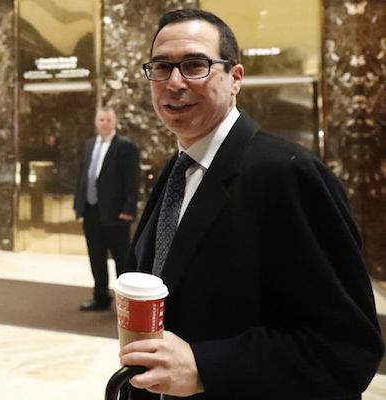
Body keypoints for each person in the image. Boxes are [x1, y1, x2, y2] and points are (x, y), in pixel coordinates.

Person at [119, 9, 383, 399]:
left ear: (235, 78)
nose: (174, 82)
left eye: (195, 65)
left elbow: (344, 348)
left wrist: (205, 368)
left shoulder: (288, 174)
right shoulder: (177, 170)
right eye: (161, 67)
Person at [74, 107, 139, 311]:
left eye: (108, 119)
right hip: (91, 211)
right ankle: (101, 296)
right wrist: (79, 204)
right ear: (96, 122)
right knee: (96, 256)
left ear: (114, 122)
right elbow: (84, 176)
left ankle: (126, 302)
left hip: (117, 213)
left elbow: (132, 181)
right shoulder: (89, 145)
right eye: (101, 119)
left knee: (122, 259)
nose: (104, 123)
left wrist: (129, 208)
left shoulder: (125, 147)